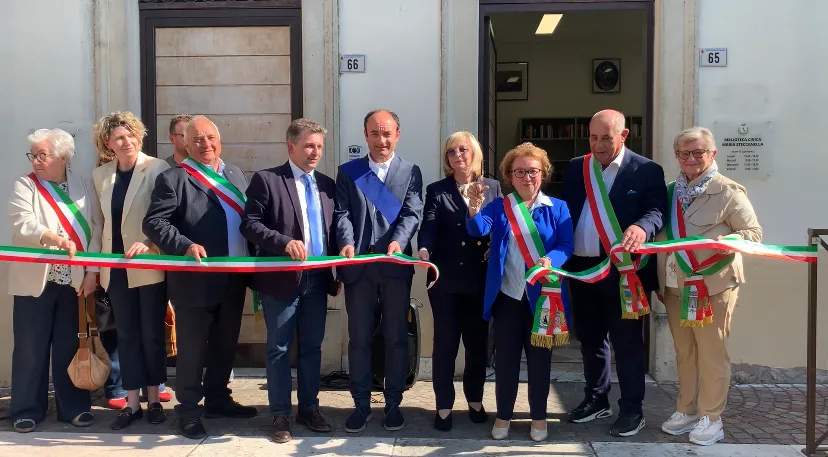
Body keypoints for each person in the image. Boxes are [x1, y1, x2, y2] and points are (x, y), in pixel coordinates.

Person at [143, 115, 257, 439]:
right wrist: (185, 245)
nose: (205, 144)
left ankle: (218, 399)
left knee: (225, 342)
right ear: (185, 144)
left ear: (219, 140)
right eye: (197, 140)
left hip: (233, 276)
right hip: (195, 280)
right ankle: (190, 410)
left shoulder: (234, 174)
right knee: (192, 349)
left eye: (210, 138)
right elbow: (154, 222)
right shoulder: (174, 178)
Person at [560, 109, 668, 437]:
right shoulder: (577, 167)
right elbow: (564, 210)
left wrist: (642, 227)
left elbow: (657, 210)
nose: (598, 145)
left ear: (623, 135)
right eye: (593, 138)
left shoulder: (646, 170)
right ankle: (596, 399)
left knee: (627, 343)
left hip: (624, 272)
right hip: (582, 270)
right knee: (590, 339)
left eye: (606, 138)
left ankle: (632, 409)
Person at [656, 127, 762, 446]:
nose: (691, 159)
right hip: (675, 285)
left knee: (711, 353)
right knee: (685, 351)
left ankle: (712, 417)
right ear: (677, 156)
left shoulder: (728, 191)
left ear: (712, 154)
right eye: (684, 153)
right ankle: (686, 409)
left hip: (712, 285)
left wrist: (726, 241)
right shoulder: (670, 191)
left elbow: (753, 233)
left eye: (698, 152)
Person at [240, 118, 340, 443]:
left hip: (318, 279)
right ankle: (280, 414)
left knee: (312, 347)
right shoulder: (267, 180)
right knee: (279, 348)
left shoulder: (327, 185)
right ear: (290, 146)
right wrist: (283, 243)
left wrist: (338, 266)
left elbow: (334, 229)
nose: (315, 152)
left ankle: (309, 409)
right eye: (309, 145)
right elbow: (249, 224)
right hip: (281, 281)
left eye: (319, 146)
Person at [465, 142, 573, 441]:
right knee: (506, 362)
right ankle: (504, 415)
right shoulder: (500, 206)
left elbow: (566, 245)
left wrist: (551, 260)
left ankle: (539, 417)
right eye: (520, 172)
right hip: (507, 298)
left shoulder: (558, 208)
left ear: (543, 173)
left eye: (533, 171)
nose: (527, 177)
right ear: (510, 176)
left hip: (543, 298)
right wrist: (473, 207)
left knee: (539, 361)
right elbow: (477, 229)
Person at [333, 109, 423, 433]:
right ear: (365, 135)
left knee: (396, 338)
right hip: (359, 269)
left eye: (387, 133)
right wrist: (346, 243)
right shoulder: (349, 172)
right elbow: (341, 213)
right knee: (359, 339)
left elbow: (412, 213)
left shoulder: (411, 172)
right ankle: (360, 405)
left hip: (394, 268)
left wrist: (399, 241)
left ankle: (393, 404)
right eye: (375, 133)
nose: (381, 140)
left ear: (397, 134)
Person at [8, 128, 102, 432]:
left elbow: (97, 229)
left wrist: (92, 272)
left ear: (63, 157)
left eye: (42, 155)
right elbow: (23, 223)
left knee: (69, 345)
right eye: (33, 155)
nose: (35, 160)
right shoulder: (25, 185)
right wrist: (54, 239)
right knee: (30, 347)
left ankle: (73, 407)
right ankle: (26, 409)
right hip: (35, 280)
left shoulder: (83, 185)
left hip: (73, 281)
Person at [90, 112, 171, 429]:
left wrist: (149, 243)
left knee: (151, 335)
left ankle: (154, 400)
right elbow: (99, 225)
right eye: (119, 138)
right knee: (126, 336)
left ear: (140, 136)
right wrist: (95, 268)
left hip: (148, 265)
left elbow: (167, 215)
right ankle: (132, 403)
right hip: (115, 269)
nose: (127, 142)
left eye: (131, 135)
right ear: (108, 143)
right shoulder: (101, 175)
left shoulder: (157, 168)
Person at [416, 131, 500, 432]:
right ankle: (444, 405)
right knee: (446, 344)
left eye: (462, 149)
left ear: (474, 153)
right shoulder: (437, 190)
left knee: (477, 344)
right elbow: (429, 226)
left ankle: (475, 400)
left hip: (480, 278)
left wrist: (496, 243)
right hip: (446, 279)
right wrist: (424, 248)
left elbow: (501, 223)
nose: (457, 155)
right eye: (451, 152)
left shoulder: (492, 187)